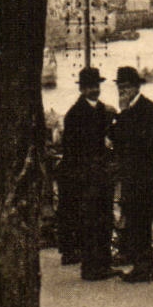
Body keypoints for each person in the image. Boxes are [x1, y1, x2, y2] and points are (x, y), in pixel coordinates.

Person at [60, 67, 117, 279]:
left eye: (97, 86)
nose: (95, 90)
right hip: (86, 176)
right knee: (90, 221)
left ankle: (103, 263)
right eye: (90, 87)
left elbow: (112, 137)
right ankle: (91, 266)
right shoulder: (75, 114)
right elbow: (71, 149)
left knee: (105, 219)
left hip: (102, 174)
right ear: (83, 89)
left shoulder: (104, 110)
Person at [110, 66, 153, 282]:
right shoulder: (126, 110)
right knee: (132, 219)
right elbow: (115, 136)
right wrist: (122, 114)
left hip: (143, 173)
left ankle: (144, 265)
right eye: (120, 87)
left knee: (141, 220)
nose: (123, 91)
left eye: (127, 87)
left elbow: (139, 140)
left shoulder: (148, 108)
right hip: (129, 174)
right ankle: (139, 263)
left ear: (137, 86)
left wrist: (124, 114)